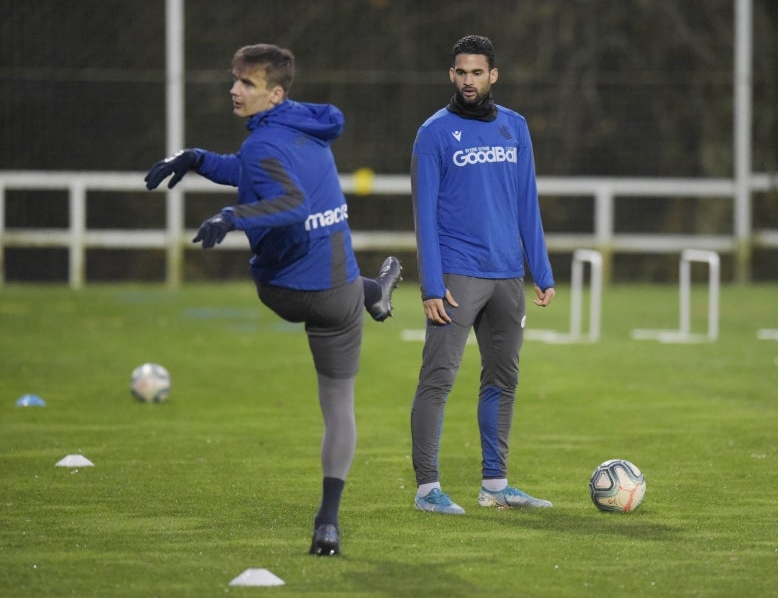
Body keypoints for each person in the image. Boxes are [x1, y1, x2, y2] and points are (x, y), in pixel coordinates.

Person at [144, 44, 401, 555]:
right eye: (234, 80)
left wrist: (230, 217)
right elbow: (251, 172)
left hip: (283, 291)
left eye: (247, 84)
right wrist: (197, 159)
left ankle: (372, 292)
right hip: (334, 292)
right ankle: (328, 521)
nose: (235, 91)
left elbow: (288, 202)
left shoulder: (264, 146)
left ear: (274, 93)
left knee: (339, 363)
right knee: (339, 408)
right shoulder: (303, 125)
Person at [409, 35, 556, 515]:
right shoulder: (433, 132)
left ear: (493, 76)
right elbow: (423, 215)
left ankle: (495, 486)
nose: (467, 80)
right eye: (460, 72)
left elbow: (525, 202)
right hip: (457, 276)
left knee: (502, 380)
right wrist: (432, 285)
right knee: (438, 380)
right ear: (451, 75)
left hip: (508, 276)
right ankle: (427, 489)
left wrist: (542, 270)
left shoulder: (515, 127)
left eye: (477, 72)